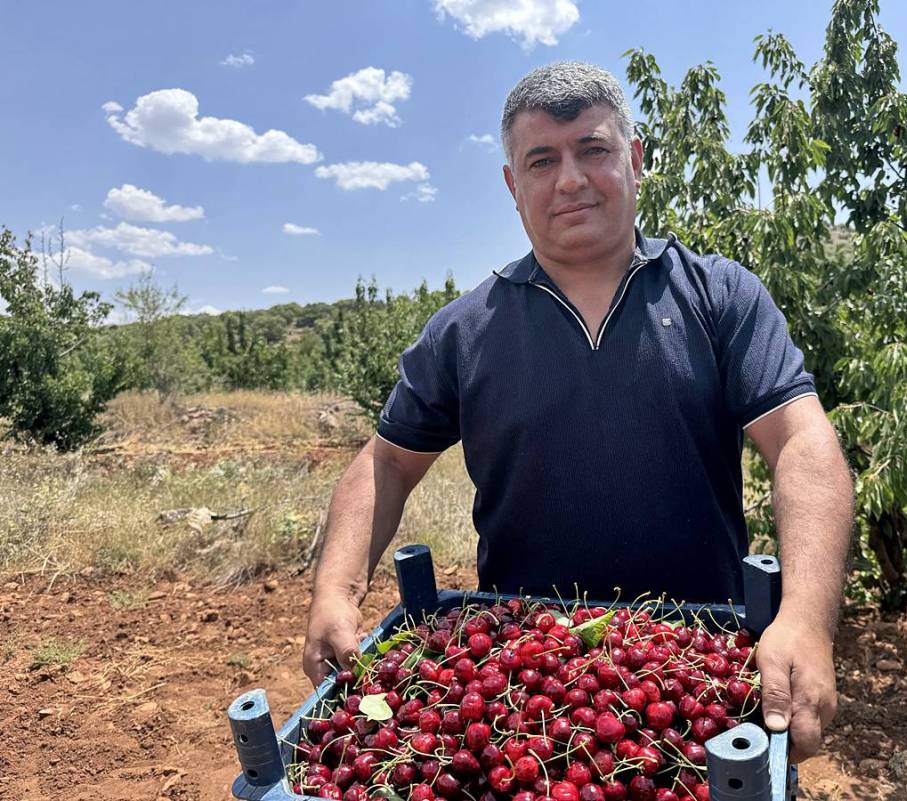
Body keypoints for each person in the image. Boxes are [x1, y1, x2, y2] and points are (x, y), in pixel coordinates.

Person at [303, 61, 854, 762]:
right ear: (512, 185)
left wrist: (806, 618)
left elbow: (802, 439)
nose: (569, 179)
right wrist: (336, 589)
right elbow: (386, 461)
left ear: (635, 159)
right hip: (524, 691)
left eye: (592, 150)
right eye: (541, 160)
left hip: (692, 672)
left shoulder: (720, 297)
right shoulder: (465, 330)